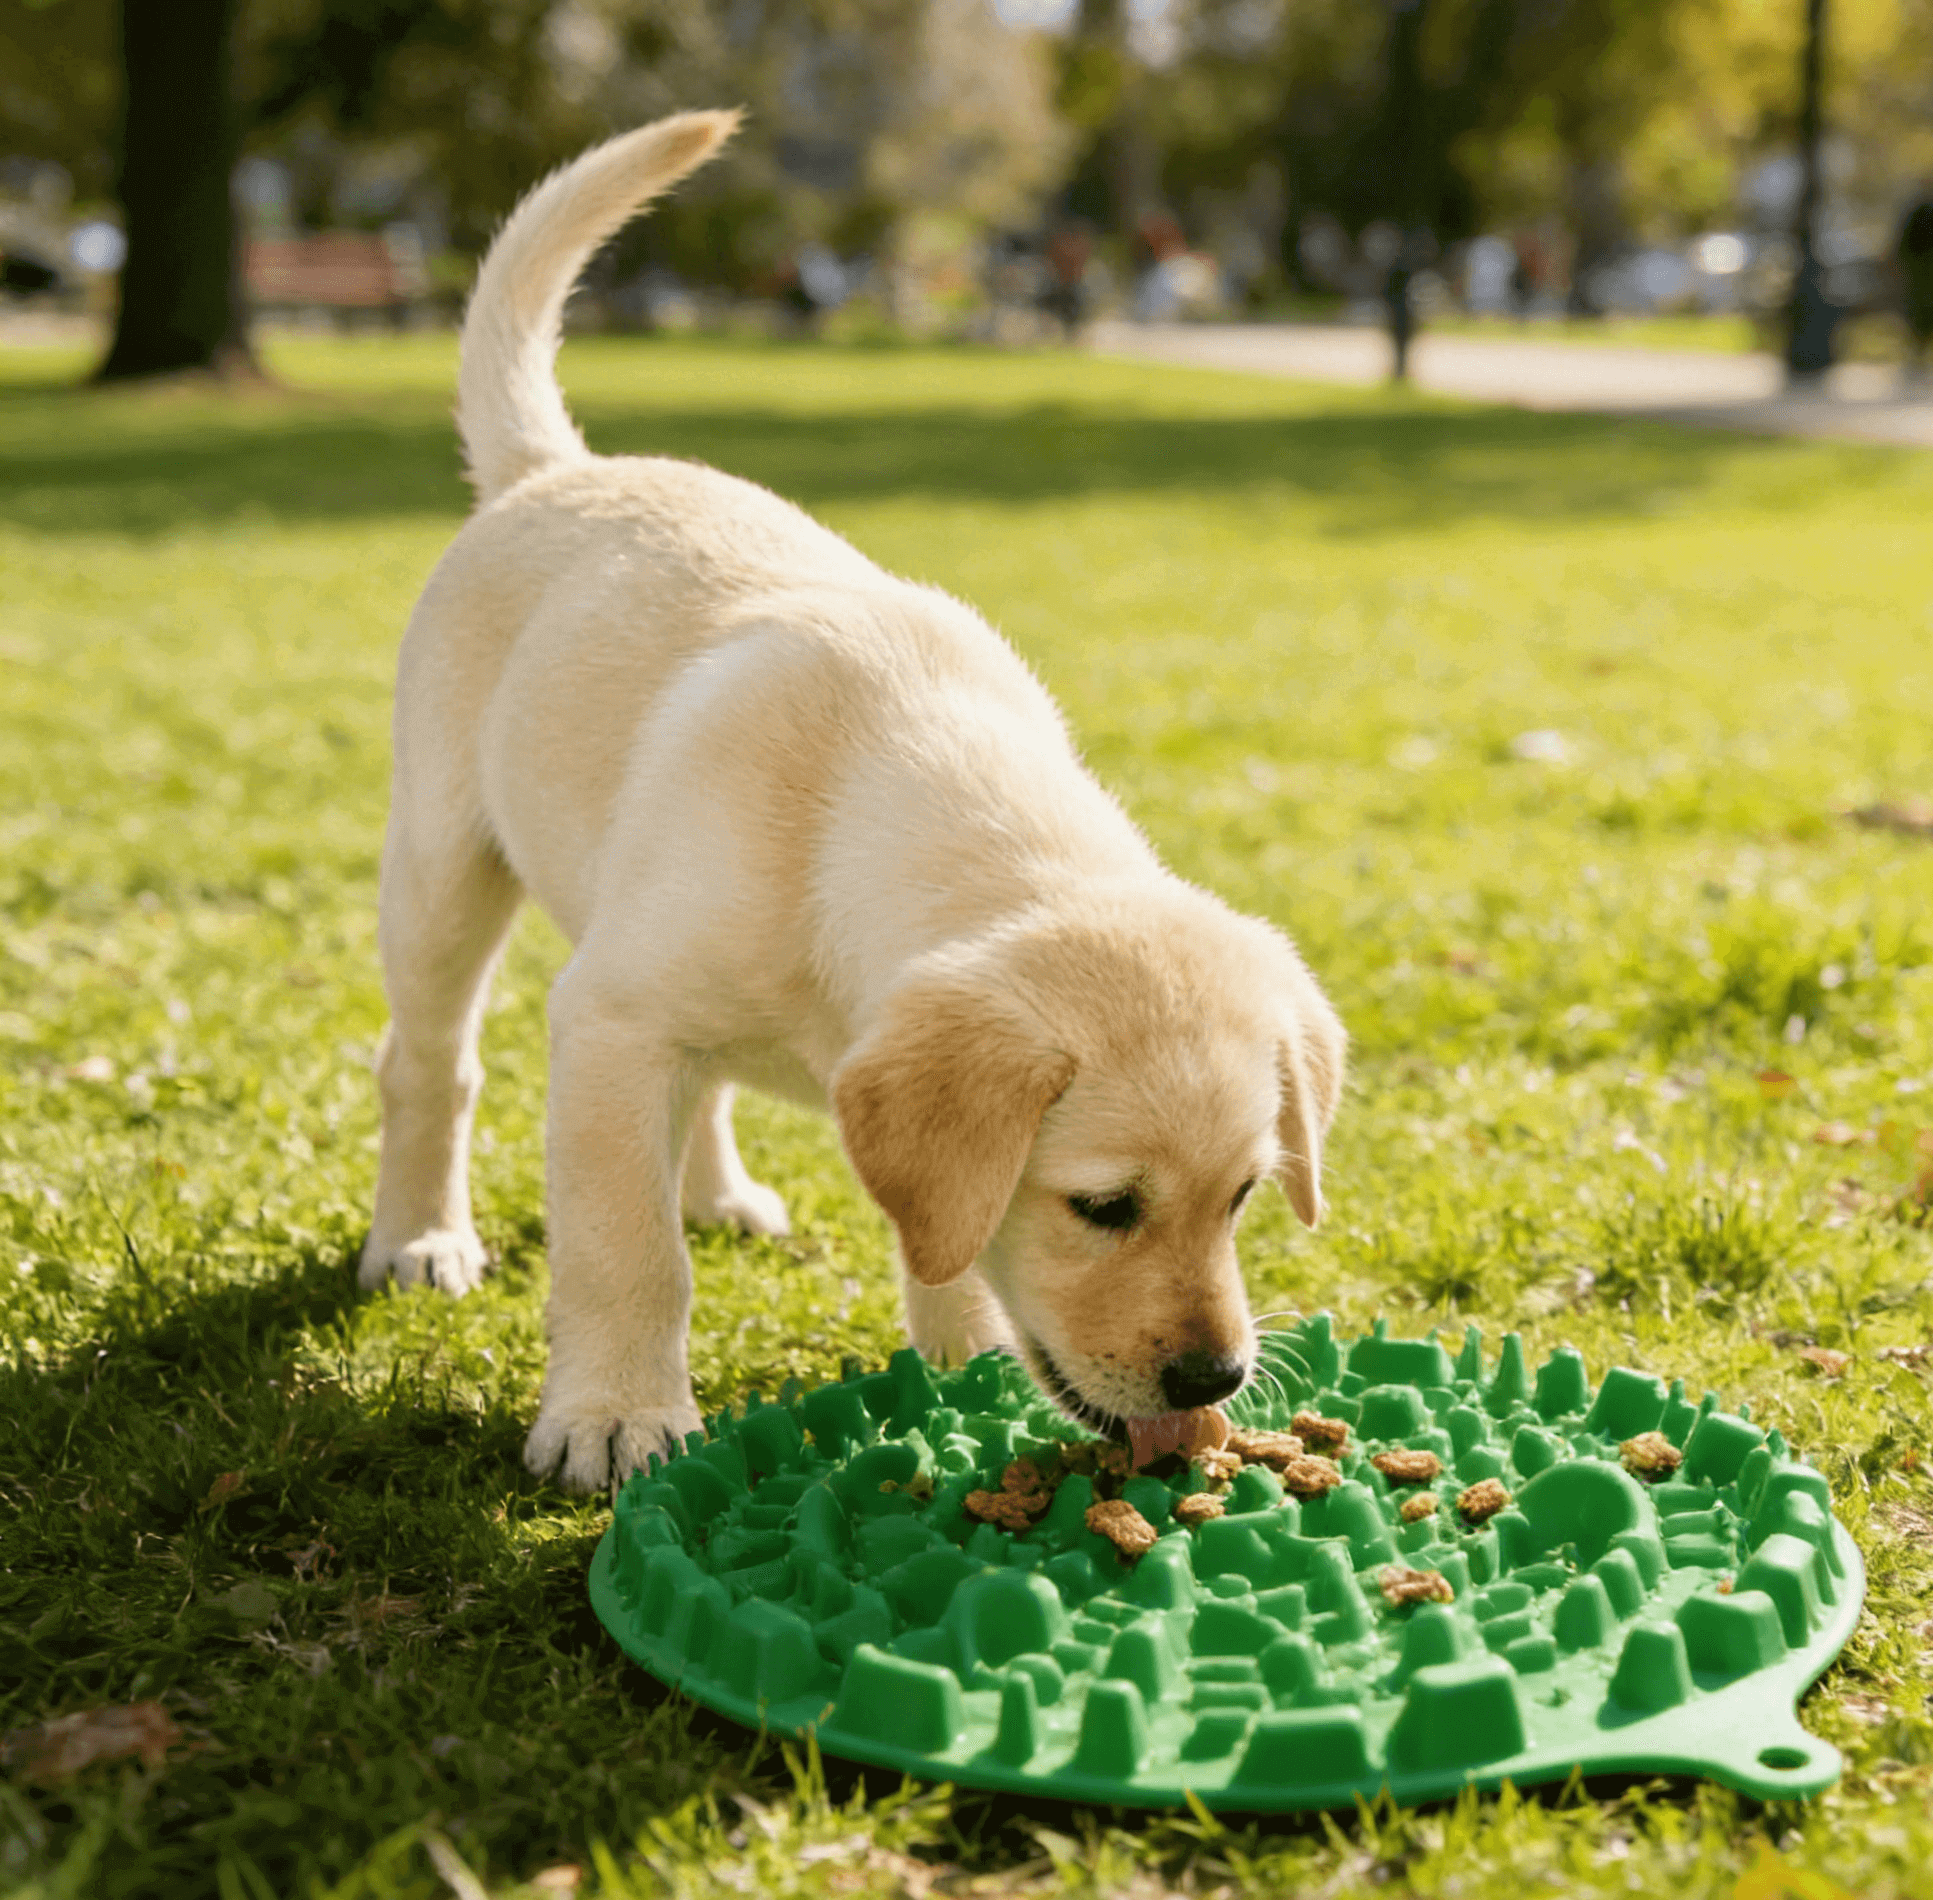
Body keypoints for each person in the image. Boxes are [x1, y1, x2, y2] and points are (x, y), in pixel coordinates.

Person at [1897, 190, 1933, 376]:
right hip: (1921, 275)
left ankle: (1918, 359)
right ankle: (1917, 359)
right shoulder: (1921, 211)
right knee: (1919, 317)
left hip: (1921, 274)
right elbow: (1905, 245)